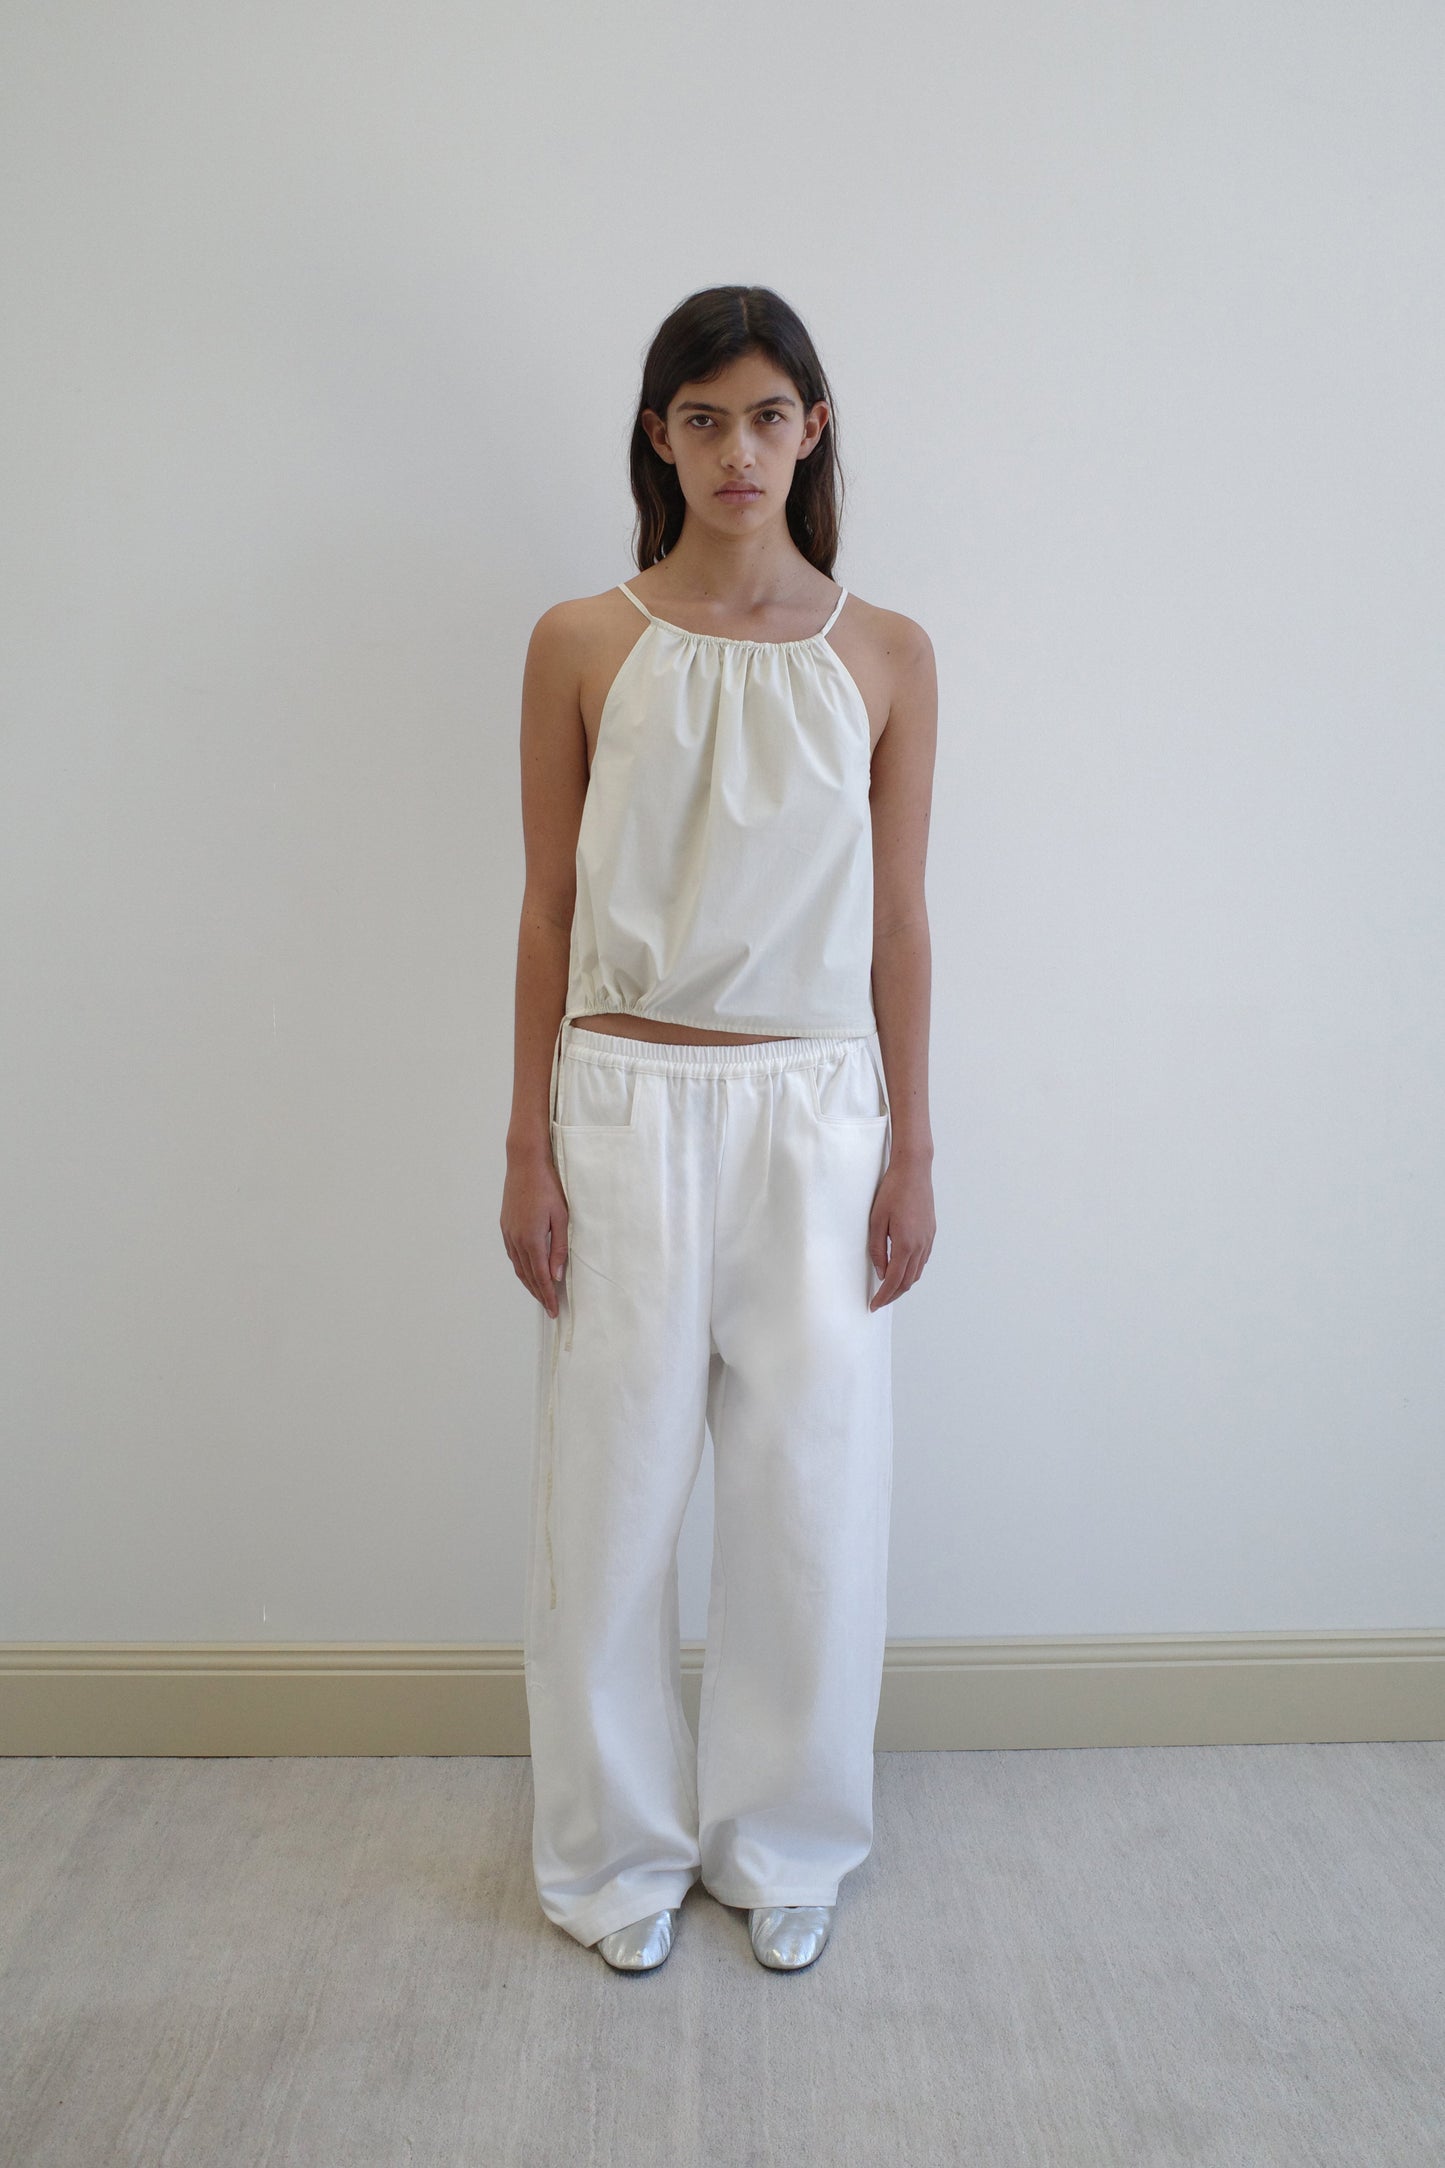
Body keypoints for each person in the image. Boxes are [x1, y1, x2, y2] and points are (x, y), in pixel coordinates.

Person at [501, 284, 937, 1975]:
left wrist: (912, 1146)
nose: (735, 449)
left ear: (809, 430)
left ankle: (787, 1843)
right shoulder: (581, 642)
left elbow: (899, 919)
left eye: (766, 415)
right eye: (701, 418)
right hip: (621, 1098)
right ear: (656, 435)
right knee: (604, 1499)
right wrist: (527, 1142)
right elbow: (545, 909)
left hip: (816, 1107)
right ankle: (614, 1860)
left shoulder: (883, 654)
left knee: (808, 1495)